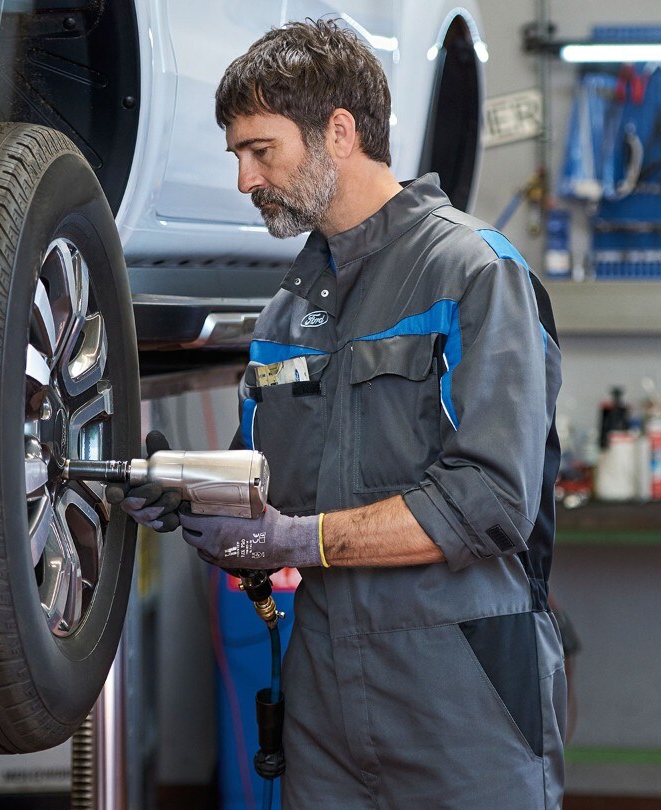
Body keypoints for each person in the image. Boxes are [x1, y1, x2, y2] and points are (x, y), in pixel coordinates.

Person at [112, 18, 565, 807]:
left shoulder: (473, 273)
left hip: (463, 693)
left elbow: (492, 502)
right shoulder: (288, 311)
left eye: (263, 151)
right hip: (322, 694)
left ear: (340, 132)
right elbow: (266, 502)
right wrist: (191, 494)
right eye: (239, 159)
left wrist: (298, 539)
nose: (246, 182)